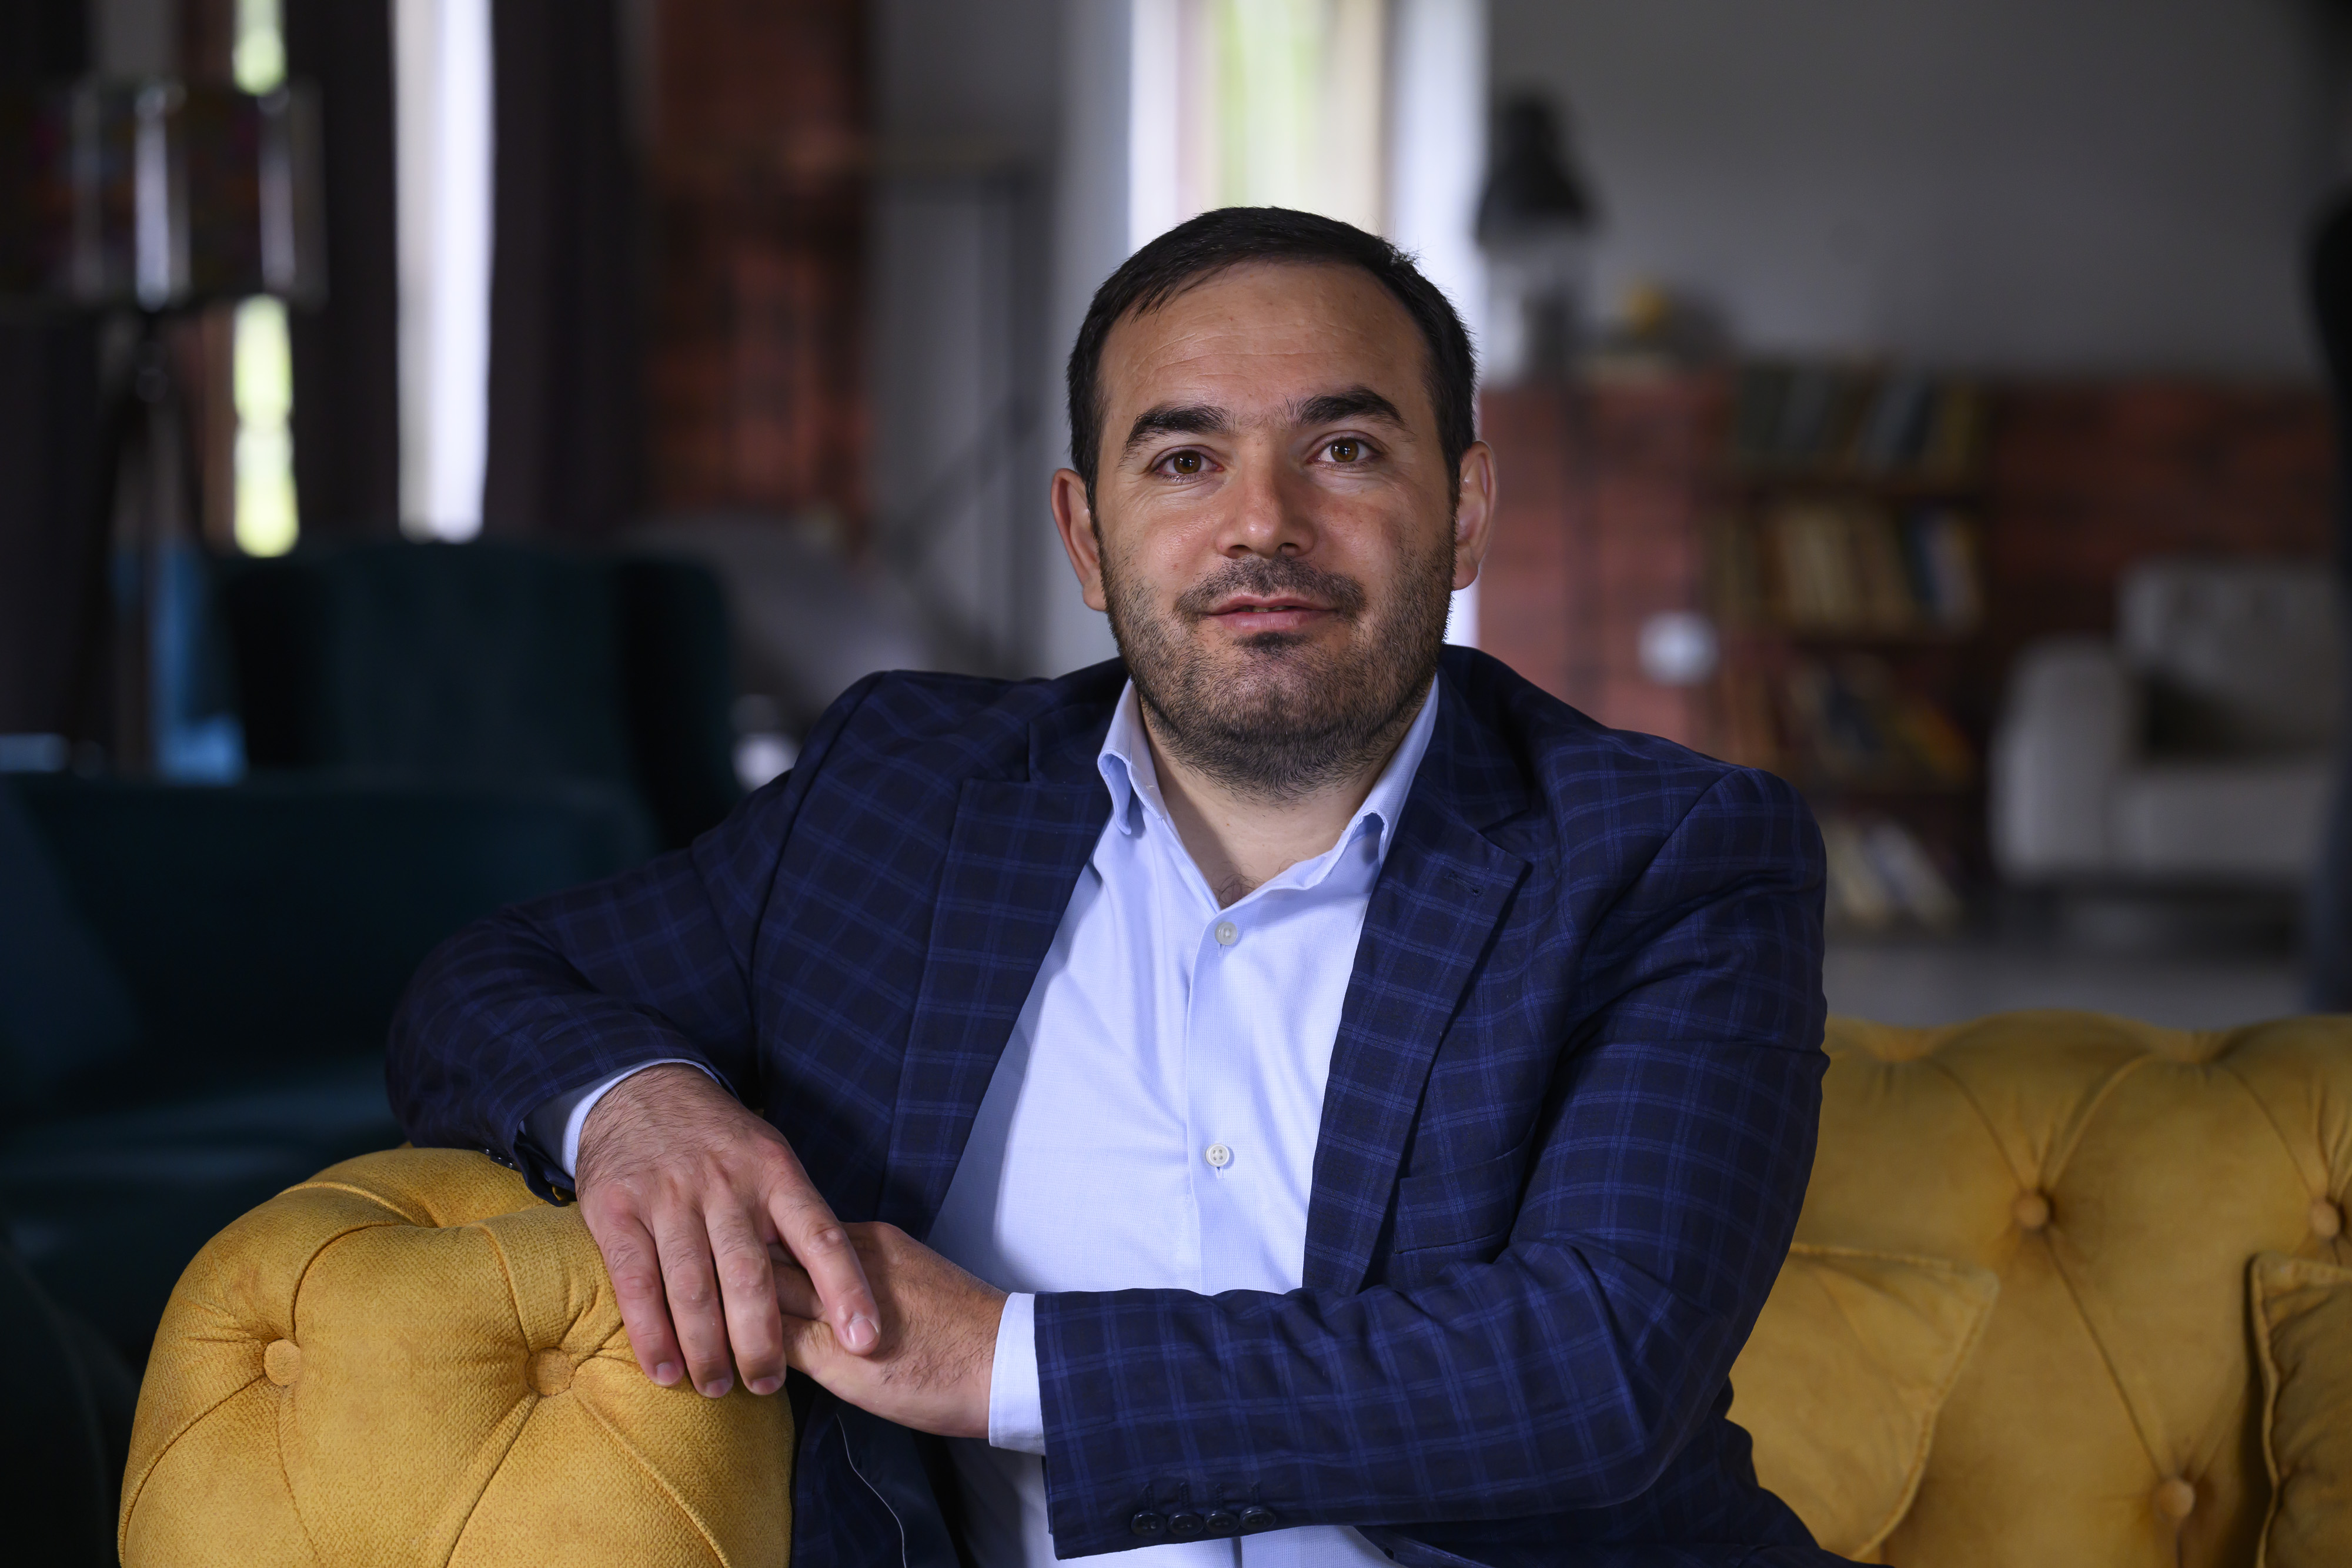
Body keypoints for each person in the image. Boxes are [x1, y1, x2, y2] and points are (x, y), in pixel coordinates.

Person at [391, 206, 1836, 1568]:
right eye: (1183, 459)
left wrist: (998, 1358)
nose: (1260, 524)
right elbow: (484, 984)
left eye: (1340, 448)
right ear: (1087, 536)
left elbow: (1592, 1369)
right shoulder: (899, 797)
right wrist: (641, 1105)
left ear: (1462, 511)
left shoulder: (1668, 854)